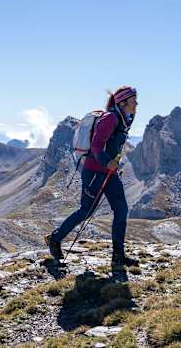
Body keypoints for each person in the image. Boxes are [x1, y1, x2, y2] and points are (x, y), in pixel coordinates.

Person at [46, 86, 139, 267]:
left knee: (121, 211)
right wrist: (107, 162)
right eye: (133, 100)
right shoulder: (110, 118)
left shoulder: (124, 118)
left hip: (109, 173)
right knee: (85, 211)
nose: (136, 103)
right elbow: (96, 145)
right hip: (95, 171)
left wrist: (112, 163)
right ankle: (55, 238)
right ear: (122, 102)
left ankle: (118, 256)